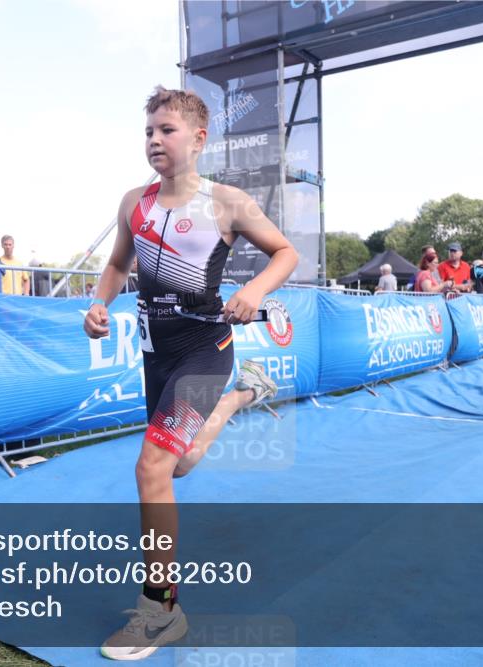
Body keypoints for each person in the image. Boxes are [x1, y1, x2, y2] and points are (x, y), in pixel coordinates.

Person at [85, 86, 298, 661]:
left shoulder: (227, 202)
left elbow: (285, 253)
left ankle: (161, 610)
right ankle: (233, 403)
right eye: (148, 131)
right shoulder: (134, 201)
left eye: (167, 130)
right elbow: (116, 263)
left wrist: (253, 289)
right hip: (158, 353)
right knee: (174, 467)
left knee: (151, 465)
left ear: (199, 139)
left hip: (207, 349)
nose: (155, 139)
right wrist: (99, 303)